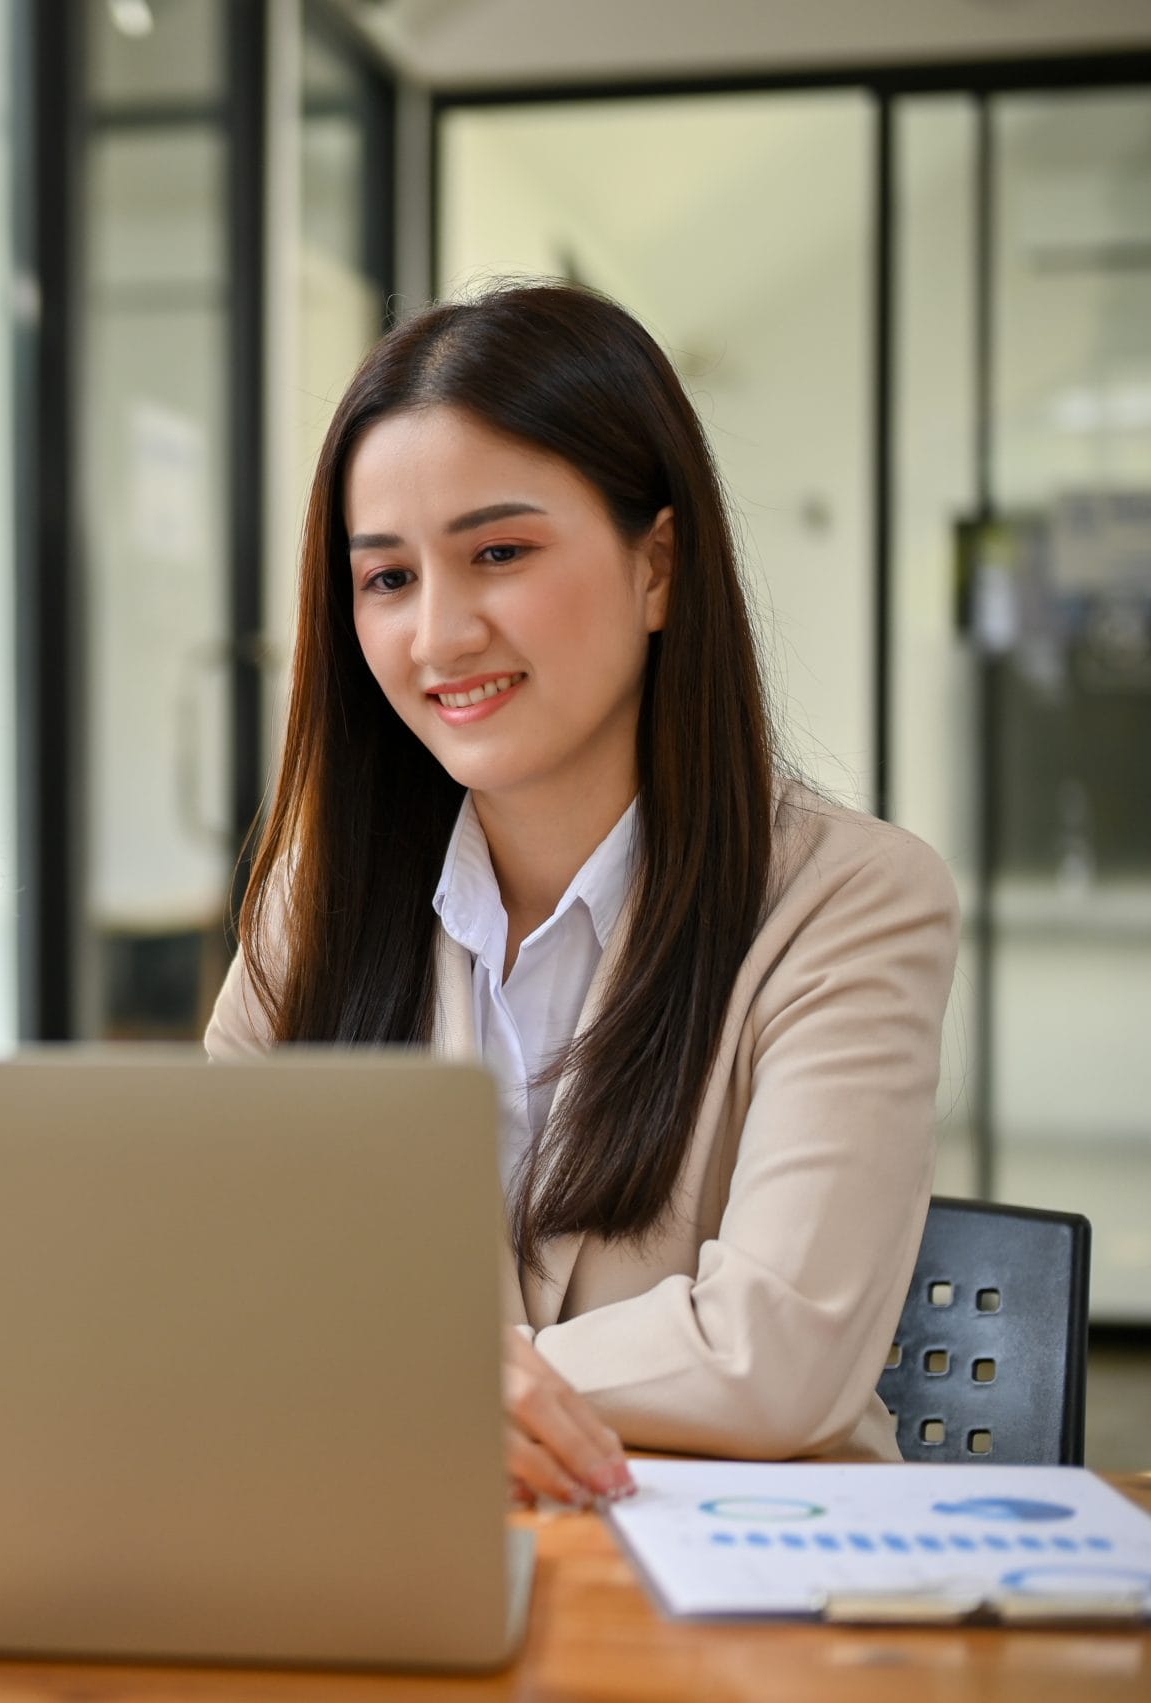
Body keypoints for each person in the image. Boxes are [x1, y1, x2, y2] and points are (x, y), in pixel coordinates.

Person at [207, 282, 957, 1502]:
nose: (439, 634)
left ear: (656, 566)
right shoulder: (314, 908)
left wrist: (402, 1379)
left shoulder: (851, 900)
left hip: (746, 1616)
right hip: (401, 1565)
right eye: (386, 578)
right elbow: (207, 1289)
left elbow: (775, 1354)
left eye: (498, 552)